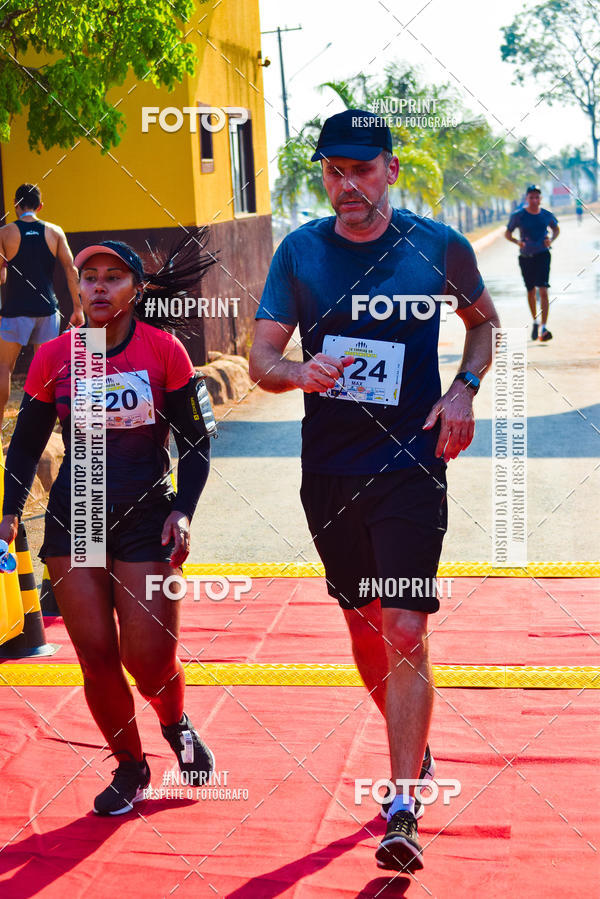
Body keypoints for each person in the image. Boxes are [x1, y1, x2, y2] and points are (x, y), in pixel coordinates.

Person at [249, 109, 500, 873]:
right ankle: (413, 745)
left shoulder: (437, 245)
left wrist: (463, 391)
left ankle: (401, 804)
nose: (345, 183)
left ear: (391, 168)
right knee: (364, 625)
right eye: (332, 169)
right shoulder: (300, 252)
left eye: (360, 168)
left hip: (412, 464)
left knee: (403, 628)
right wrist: (299, 371)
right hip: (329, 470)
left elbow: (484, 324)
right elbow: (262, 355)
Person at [0, 230, 216, 815]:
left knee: (148, 659)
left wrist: (183, 510)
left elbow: (196, 443)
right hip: (80, 513)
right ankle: (130, 766)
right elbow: (24, 447)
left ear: (135, 289)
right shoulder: (55, 356)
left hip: (147, 512)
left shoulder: (164, 351)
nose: (98, 287)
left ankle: (176, 725)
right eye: (89, 278)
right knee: (95, 654)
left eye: (112, 277)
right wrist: (9, 513)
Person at [0, 183, 84, 427]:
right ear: (40, 206)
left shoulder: (5, 233)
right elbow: (71, 270)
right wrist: (78, 308)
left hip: (15, 311)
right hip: (48, 310)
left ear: (16, 206)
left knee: (4, 366)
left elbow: (1, 277)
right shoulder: (55, 232)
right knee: (45, 371)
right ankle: (44, 423)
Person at [505, 184, 559, 342]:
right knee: (530, 290)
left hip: (543, 255)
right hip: (526, 257)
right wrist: (517, 242)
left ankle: (544, 326)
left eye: (537, 197)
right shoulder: (518, 216)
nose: (534, 200)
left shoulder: (546, 215)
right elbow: (507, 233)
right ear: (526, 198)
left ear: (540, 199)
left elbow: (556, 229)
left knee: (543, 290)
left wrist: (551, 239)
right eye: (531, 197)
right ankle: (535, 321)